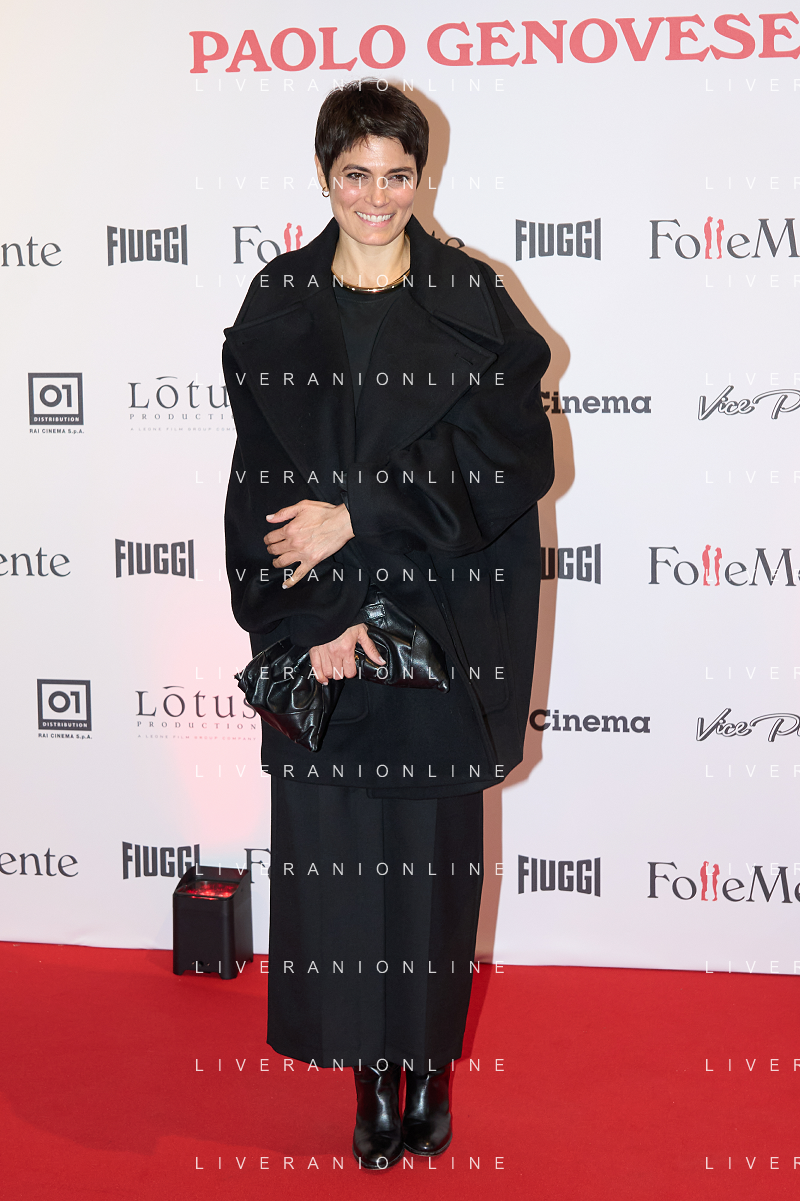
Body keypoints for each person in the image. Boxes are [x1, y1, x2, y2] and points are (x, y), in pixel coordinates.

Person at [223, 80, 553, 1170]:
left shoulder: (470, 296)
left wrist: (359, 512)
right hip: (324, 634)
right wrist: (309, 621)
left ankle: (429, 1067)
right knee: (341, 869)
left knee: (429, 871)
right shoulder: (278, 298)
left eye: (396, 175)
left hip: (439, 627)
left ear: (423, 177)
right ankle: (368, 1079)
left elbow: (511, 460)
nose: (376, 195)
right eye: (355, 174)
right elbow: (257, 481)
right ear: (325, 177)